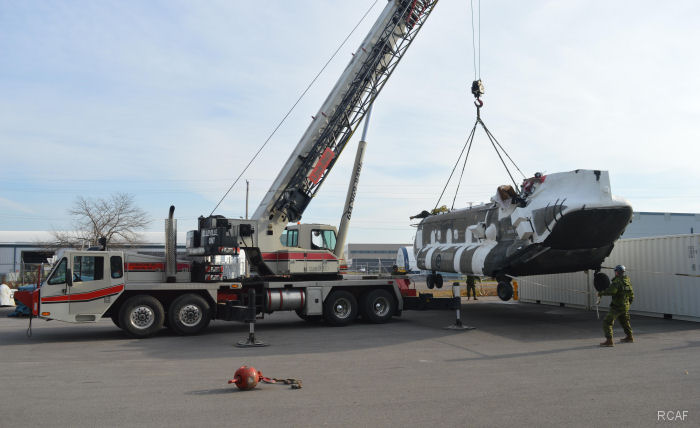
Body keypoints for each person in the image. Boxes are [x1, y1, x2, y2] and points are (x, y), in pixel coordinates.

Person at [598, 265, 635, 347]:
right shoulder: (627, 281)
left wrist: (601, 293)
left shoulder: (617, 282)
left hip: (617, 306)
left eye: (615, 271)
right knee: (625, 322)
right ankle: (629, 337)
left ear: (617, 272)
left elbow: (612, 291)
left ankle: (609, 341)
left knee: (607, 322)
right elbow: (631, 295)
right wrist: (627, 304)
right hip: (625, 306)